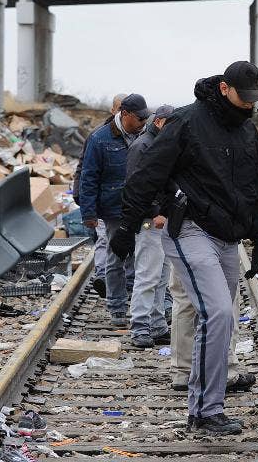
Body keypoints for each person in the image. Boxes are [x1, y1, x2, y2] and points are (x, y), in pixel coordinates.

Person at [111, 61, 258, 436]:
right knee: (218, 314)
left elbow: (253, 188)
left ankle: (206, 406)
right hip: (191, 230)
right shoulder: (187, 121)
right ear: (225, 88)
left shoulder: (247, 132)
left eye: (253, 101)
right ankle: (204, 410)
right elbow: (148, 174)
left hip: (227, 238)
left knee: (220, 319)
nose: (249, 106)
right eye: (244, 98)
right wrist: (128, 227)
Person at [80, 94, 150, 326]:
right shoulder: (99, 139)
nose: (143, 122)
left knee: (141, 256)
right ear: (124, 114)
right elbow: (88, 176)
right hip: (112, 208)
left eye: (145, 118)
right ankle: (117, 306)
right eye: (139, 118)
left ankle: (135, 299)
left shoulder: (147, 136)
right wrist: (88, 213)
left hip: (142, 206)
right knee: (115, 256)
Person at [124, 104, 174, 349]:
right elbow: (137, 186)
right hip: (149, 221)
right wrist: (155, 212)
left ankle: (156, 324)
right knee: (148, 275)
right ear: (159, 122)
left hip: (160, 220)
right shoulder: (143, 146)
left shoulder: (158, 144)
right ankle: (140, 326)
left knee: (161, 275)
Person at [74, 92, 127, 297]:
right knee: (105, 239)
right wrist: (83, 200)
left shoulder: (137, 134)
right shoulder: (98, 136)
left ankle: (114, 279)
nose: (123, 113)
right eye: (120, 108)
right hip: (105, 201)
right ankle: (103, 277)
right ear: (113, 110)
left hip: (123, 202)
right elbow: (84, 169)